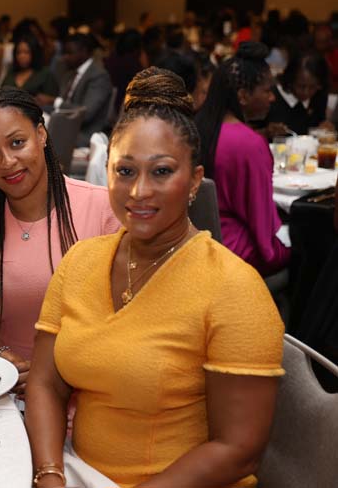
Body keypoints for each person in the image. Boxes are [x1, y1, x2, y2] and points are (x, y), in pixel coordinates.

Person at [26, 67, 284, 488]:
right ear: (106, 171)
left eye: (161, 171)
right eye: (125, 171)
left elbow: (238, 449)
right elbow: (45, 384)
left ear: (195, 180)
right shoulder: (81, 260)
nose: (139, 191)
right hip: (77, 472)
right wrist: (50, 475)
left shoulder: (233, 288)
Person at [0, 88, 119, 391]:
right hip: (6, 388)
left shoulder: (103, 208)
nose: (7, 162)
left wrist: (58, 374)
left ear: (41, 134)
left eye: (17, 143)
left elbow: (129, 320)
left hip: (91, 387)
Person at [196, 42, 290, 276]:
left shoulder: (196, 128)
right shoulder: (249, 144)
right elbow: (261, 222)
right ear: (243, 96)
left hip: (195, 245)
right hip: (235, 253)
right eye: (267, 91)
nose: (272, 98)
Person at [57, 33, 114, 146]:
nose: (65, 57)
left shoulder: (98, 75)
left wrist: (56, 103)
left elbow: (86, 113)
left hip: (87, 135)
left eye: (70, 53)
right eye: (64, 53)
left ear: (84, 52)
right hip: (66, 128)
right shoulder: (69, 74)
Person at [265, 52, 334, 135]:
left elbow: (319, 123)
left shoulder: (319, 95)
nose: (306, 92)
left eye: (313, 87)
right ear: (290, 80)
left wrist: (325, 128)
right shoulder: (270, 96)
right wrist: (266, 131)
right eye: (301, 86)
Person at [0, 35, 59, 107]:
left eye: (26, 52)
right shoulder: (12, 71)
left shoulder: (45, 73)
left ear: (34, 53)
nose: (22, 56)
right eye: (18, 52)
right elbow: (1, 92)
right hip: (8, 110)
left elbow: (53, 101)